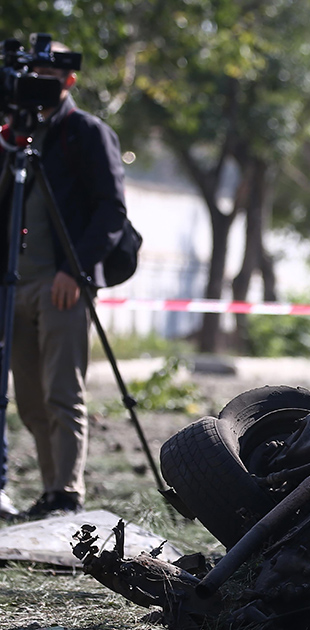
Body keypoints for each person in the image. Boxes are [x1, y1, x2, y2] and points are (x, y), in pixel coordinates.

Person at [0, 41, 128, 518]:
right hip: (15, 283)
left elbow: (112, 210)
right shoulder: (16, 136)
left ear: (69, 80)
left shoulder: (86, 132)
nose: (38, 84)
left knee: (61, 393)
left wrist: (77, 269)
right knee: (30, 400)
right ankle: (49, 492)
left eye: (48, 76)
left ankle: (67, 494)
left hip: (62, 284)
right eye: (32, 75)